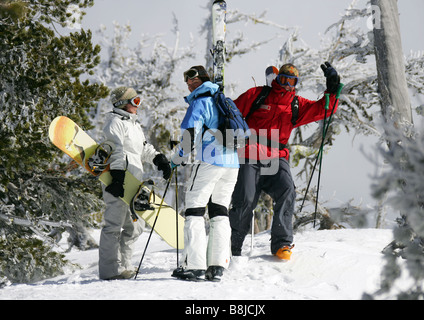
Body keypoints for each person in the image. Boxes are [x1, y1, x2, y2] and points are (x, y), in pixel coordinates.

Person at [229, 62, 341, 260]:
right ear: (277, 79)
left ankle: (282, 244)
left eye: (292, 81)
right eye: (284, 79)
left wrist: (332, 90)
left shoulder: (296, 104)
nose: (287, 84)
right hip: (250, 154)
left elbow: (322, 109)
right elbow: (231, 112)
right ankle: (233, 244)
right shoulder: (258, 94)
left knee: (287, 189)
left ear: (296, 83)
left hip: (275, 156)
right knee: (245, 198)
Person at [171, 66, 239, 282]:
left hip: (210, 160)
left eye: (192, 79)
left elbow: (190, 136)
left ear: (202, 80)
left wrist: (176, 159)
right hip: (232, 163)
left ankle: (195, 266)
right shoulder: (224, 100)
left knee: (194, 209)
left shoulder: (200, 101)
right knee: (219, 211)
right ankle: (217, 266)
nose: (189, 83)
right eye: (187, 81)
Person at [99, 86, 171, 280]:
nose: (138, 106)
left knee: (135, 227)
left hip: (133, 182)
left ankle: (125, 265)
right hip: (117, 179)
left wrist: (159, 159)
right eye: (135, 102)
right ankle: (109, 271)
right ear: (123, 103)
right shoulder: (113, 122)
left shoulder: (134, 125)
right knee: (113, 225)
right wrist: (117, 175)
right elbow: (115, 148)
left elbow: (144, 149)